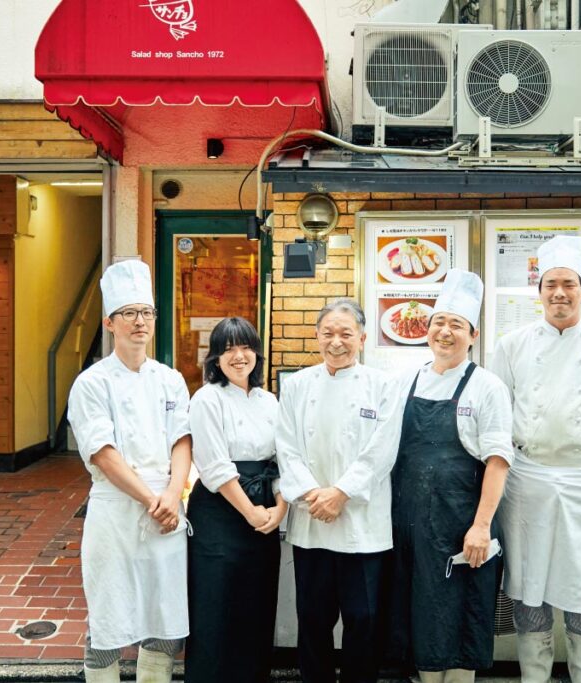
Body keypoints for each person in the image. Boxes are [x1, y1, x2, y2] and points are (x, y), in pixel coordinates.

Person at [489, 236, 581, 683]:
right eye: (550, 284)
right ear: (538, 291)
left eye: (569, 284)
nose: (559, 293)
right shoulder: (512, 345)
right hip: (527, 478)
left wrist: (575, 442)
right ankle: (534, 677)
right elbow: (499, 412)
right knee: (527, 588)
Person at [67, 259, 192, 683]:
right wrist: (152, 499)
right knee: (108, 620)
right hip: (116, 512)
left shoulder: (170, 379)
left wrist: (172, 495)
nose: (140, 321)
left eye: (146, 313)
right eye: (129, 313)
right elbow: (103, 453)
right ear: (110, 323)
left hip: (166, 511)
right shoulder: (92, 383)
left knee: (164, 620)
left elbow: (182, 440)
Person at [389, 269, 513, 683]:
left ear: (473, 335)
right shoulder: (405, 381)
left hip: (462, 527)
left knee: (460, 621)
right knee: (419, 621)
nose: (445, 332)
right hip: (409, 530)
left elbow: (498, 461)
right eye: (438, 322)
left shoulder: (487, 387)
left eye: (456, 325)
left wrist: (481, 527)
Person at [275, 298, 403, 683]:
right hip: (312, 523)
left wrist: (341, 493)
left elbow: (382, 451)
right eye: (328, 333)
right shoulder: (297, 386)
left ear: (362, 338)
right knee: (313, 619)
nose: (336, 342)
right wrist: (314, 495)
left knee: (363, 620)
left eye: (346, 334)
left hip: (362, 526)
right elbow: (287, 448)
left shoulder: (384, 386)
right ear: (316, 336)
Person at [185, 317, 286, 683]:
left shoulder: (269, 401)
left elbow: (283, 459)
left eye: (245, 347)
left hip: (264, 511)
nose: (238, 356)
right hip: (219, 513)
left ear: (256, 353)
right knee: (215, 605)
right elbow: (214, 466)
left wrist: (280, 507)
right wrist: (250, 512)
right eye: (228, 349)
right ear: (215, 357)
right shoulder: (207, 398)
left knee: (256, 604)